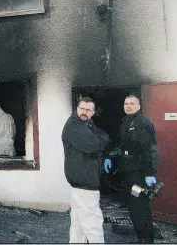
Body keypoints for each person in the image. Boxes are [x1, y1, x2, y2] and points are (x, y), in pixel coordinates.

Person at [104, 95, 159, 243]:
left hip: (139, 174)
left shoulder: (143, 123)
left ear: (139, 107)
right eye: (126, 104)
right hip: (128, 174)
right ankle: (140, 237)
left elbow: (150, 149)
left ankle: (147, 240)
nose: (128, 106)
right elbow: (121, 146)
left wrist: (149, 173)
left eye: (132, 104)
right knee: (134, 205)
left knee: (139, 205)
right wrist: (109, 156)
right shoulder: (126, 122)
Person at [61, 97, 110, 243]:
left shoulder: (87, 124)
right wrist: (99, 140)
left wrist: (99, 139)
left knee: (78, 223)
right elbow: (92, 145)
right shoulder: (75, 126)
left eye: (88, 110)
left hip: (80, 180)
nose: (84, 112)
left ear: (93, 113)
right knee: (92, 222)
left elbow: (104, 136)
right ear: (77, 109)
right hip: (85, 181)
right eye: (81, 108)